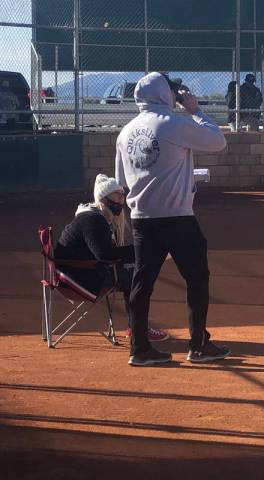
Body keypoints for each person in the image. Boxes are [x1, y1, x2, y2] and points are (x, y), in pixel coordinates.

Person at [115, 71, 230, 366]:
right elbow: (217, 141)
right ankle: (198, 345)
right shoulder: (175, 123)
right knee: (196, 278)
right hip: (177, 217)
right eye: (173, 89)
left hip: (142, 217)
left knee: (142, 282)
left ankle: (139, 349)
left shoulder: (125, 132)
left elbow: (120, 180)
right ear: (165, 94)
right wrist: (196, 111)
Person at [54, 174, 170, 342]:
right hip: (76, 280)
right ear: (104, 197)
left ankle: (136, 327)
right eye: (117, 194)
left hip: (73, 274)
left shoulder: (95, 217)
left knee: (133, 271)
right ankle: (138, 329)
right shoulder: (92, 219)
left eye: (123, 194)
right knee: (138, 277)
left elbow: (107, 254)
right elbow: (105, 254)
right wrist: (143, 252)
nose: (121, 198)